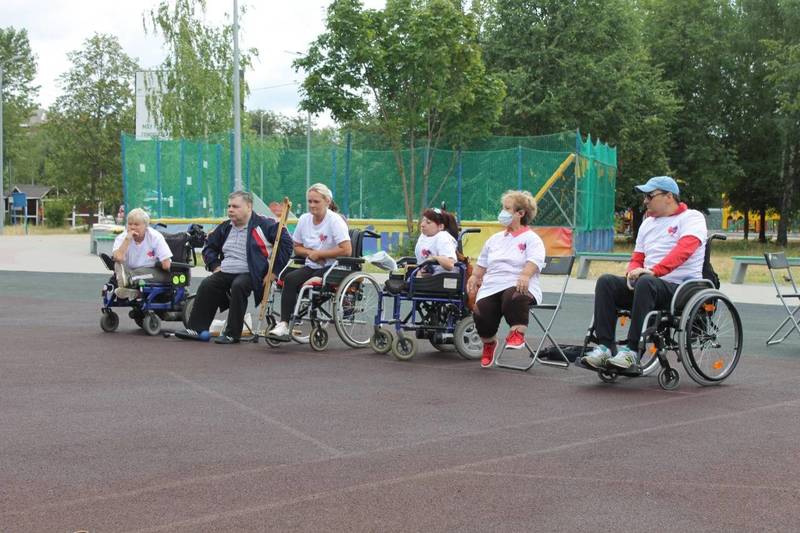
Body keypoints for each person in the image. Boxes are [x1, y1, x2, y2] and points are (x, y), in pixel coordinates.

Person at [582, 176, 708, 370]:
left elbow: (685, 249)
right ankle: (605, 347)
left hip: (679, 288)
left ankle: (632, 352)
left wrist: (653, 271)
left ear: (668, 196)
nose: (645, 201)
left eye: (650, 195)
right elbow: (637, 257)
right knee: (606, 281)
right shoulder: (647, 223)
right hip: (648, 283)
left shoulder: (691, 217)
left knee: (646, 282)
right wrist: (632, 271)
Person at [183, 191, 293, 344]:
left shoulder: (266, 224)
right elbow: (209, 247)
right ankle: (196, 328)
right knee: (208, 284)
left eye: (235, 206)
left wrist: (274, 272)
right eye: (229, 206)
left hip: (252, 273)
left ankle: (232, 333)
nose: (230, 210)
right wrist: (215, 266)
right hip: (226, 270)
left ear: (249, 207)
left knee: (239, 285)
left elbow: (287, 245)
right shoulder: (225, 227)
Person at [466, 190, 546, 368]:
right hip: (493, 285)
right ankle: (489, 343)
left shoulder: (532, 239)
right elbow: (482, 262)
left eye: (507, 208)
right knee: (480, 310)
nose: (502, 212)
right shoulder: (494, 239)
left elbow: (535, 260)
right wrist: (474, 276)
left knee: (513, 296)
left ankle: (517, 333)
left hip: (519, 283)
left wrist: (525, 274)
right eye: (503, 207)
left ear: (520, 213)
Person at [267, 183, 351, 339]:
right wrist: (309, 253)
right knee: (290, 279)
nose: (312, 205)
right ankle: (284, 324)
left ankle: (294, 317)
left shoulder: (335, 221)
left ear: (327, 201)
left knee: (312, 281)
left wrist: (320, 254)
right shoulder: (304, 219)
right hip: (311, 265)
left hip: (333, 267)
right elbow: (297, 247)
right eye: (310, 201)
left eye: (316, 202)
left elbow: (347, 250)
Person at [111, 207, 172, 300]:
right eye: (130, 224)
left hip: (151, 270)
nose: (132, 227)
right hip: (129, 269)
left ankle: (128, 281)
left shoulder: (155, 237)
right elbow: (118, 258)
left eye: (136, 224)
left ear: (145, 225)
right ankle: (133, 290)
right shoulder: (122, 237)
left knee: (145, 273)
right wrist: (127, 239)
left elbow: (166, 264)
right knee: (117, 263)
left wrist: (162, 264)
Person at [414, 207, 459, 275]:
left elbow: (450, 264)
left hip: (441, 280)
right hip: (426, 278)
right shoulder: (423, 236)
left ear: (440, 227)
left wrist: (434, 258)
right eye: (422, 221)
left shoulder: (443, 237)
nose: (422, 225)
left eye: (428, 222)